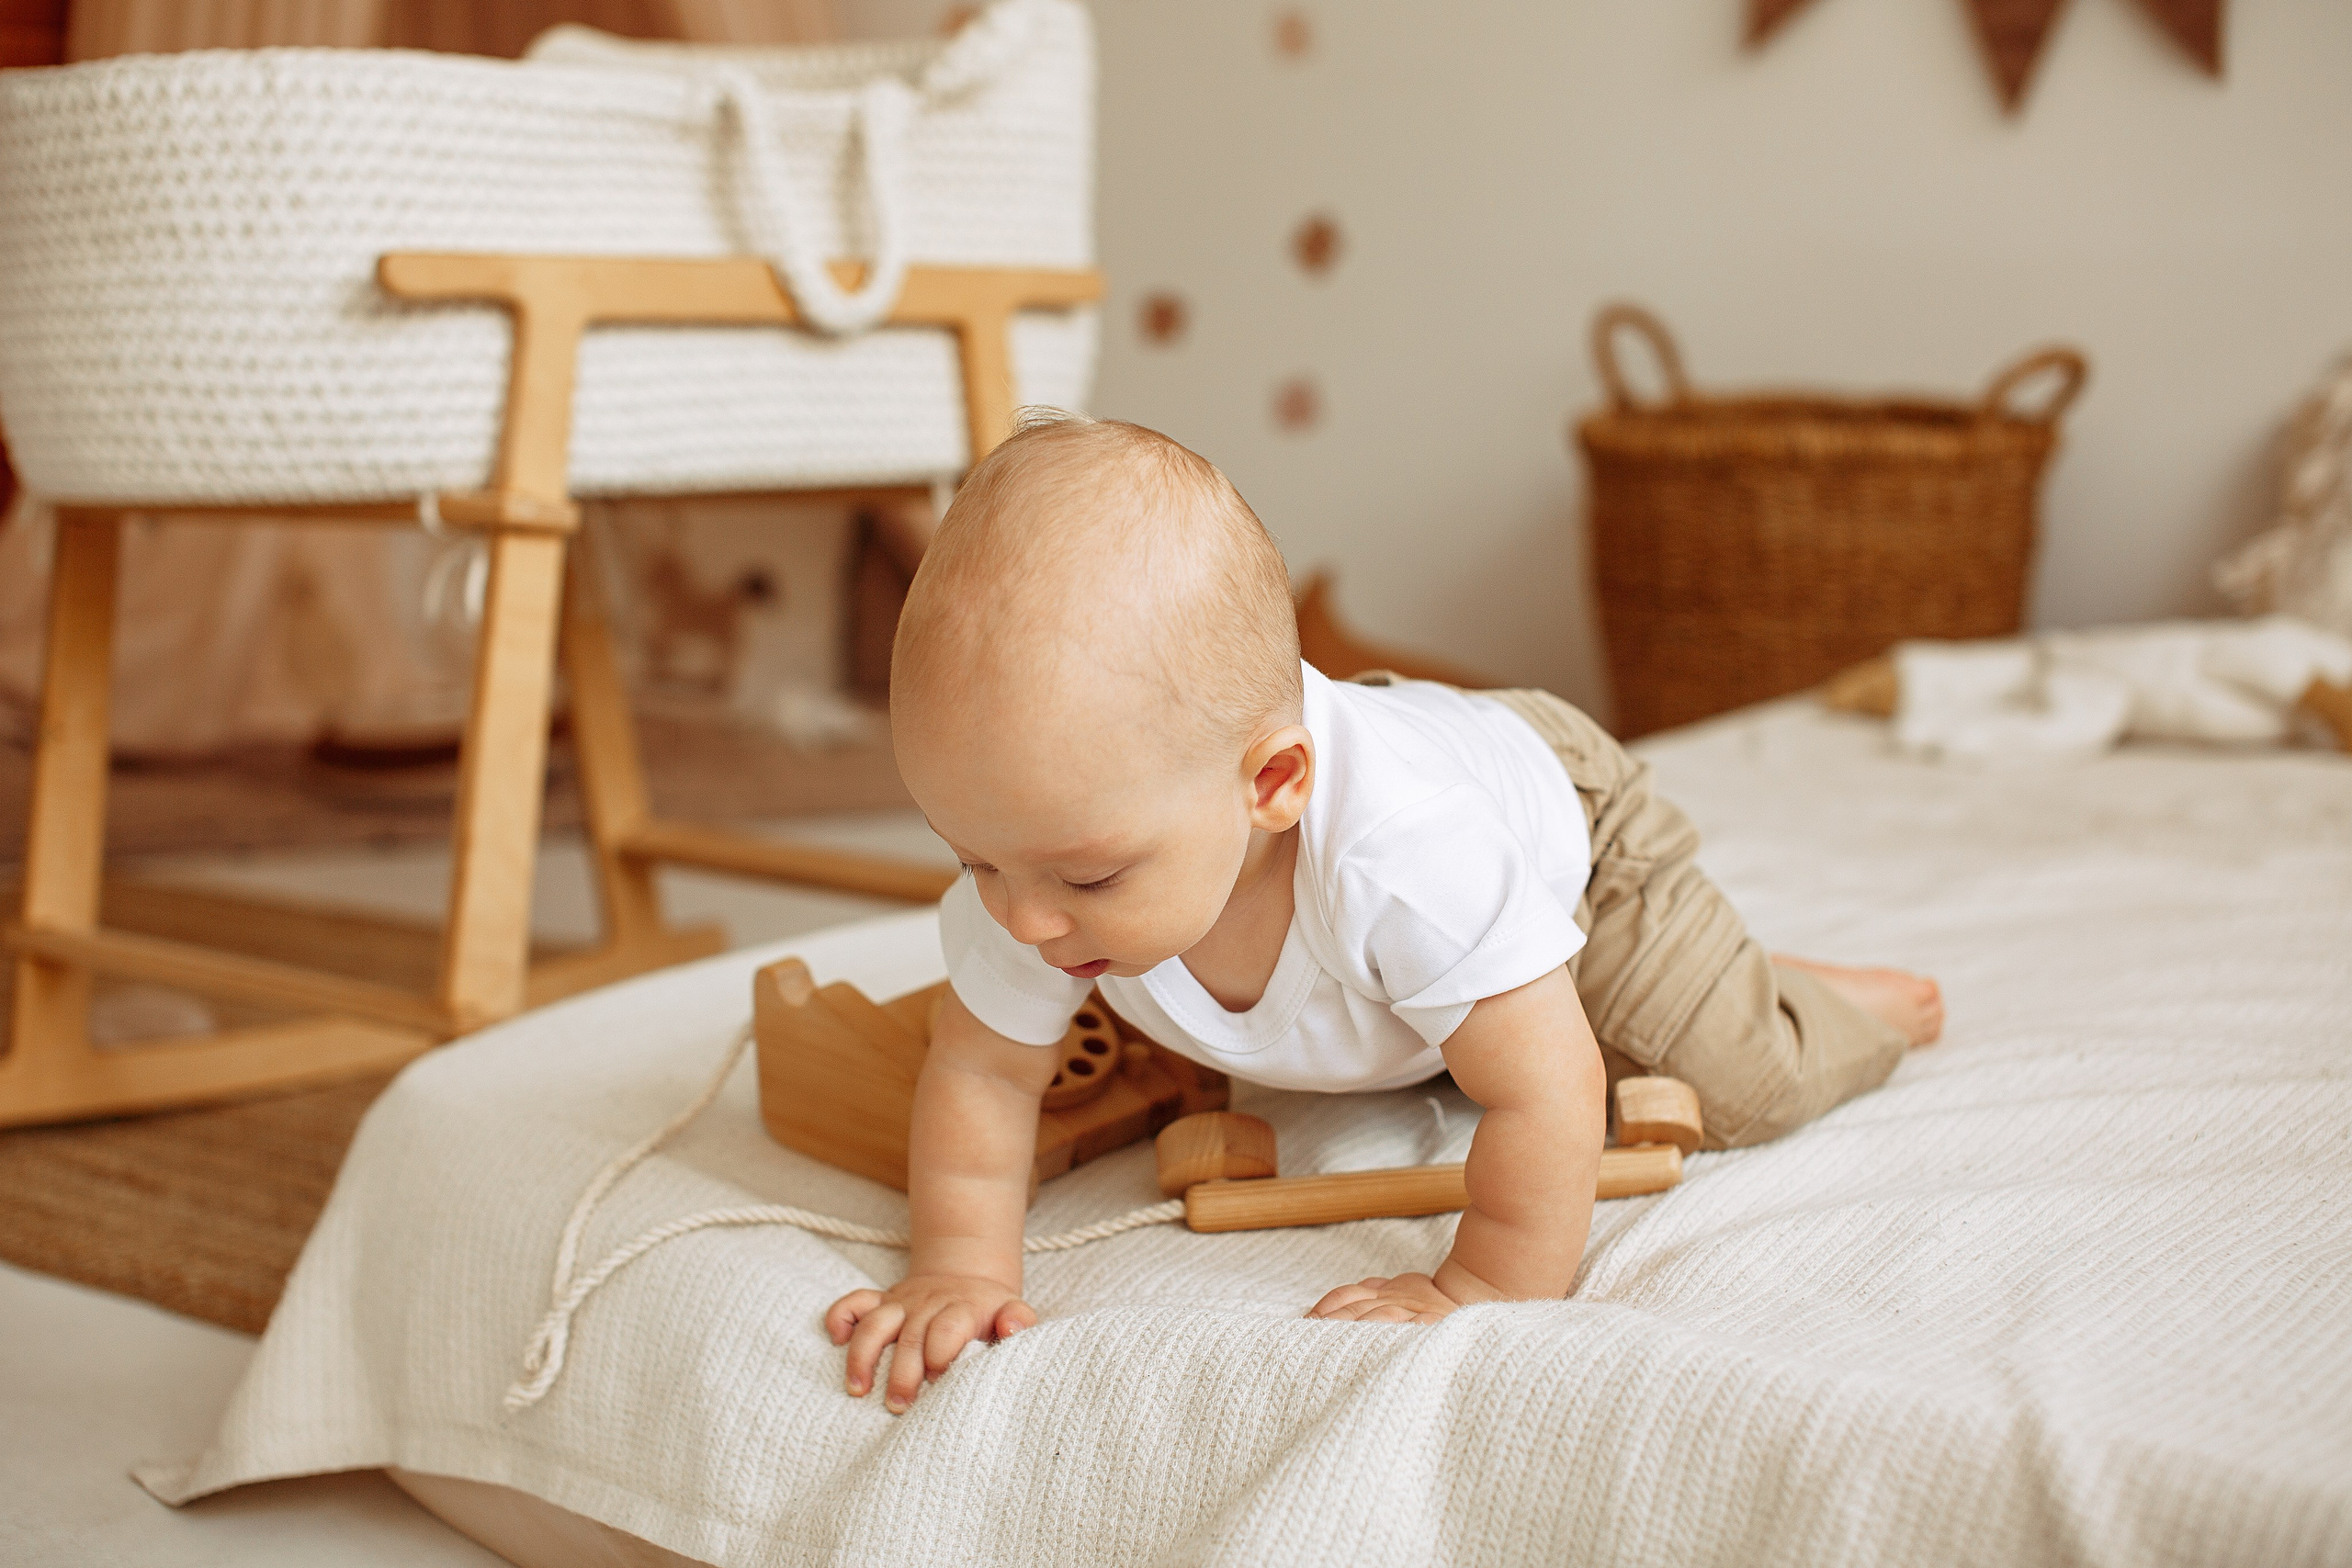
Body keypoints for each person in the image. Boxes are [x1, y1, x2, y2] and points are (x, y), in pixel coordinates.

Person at [826, 412, 1942, 1415]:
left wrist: (1480, 1284)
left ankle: (1803, 996)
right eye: (970, 860)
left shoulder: (1406, 856)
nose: (1021, 922)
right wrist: (960, 1267)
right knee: (1440, 1012)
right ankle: (1540, 981)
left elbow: (1546, 1090)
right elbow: (982, 1073)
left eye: (1088, 883)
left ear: (1271, 786)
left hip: (1571, 841)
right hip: (1375, 854)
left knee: (1729, 1079)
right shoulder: (1043, 847)